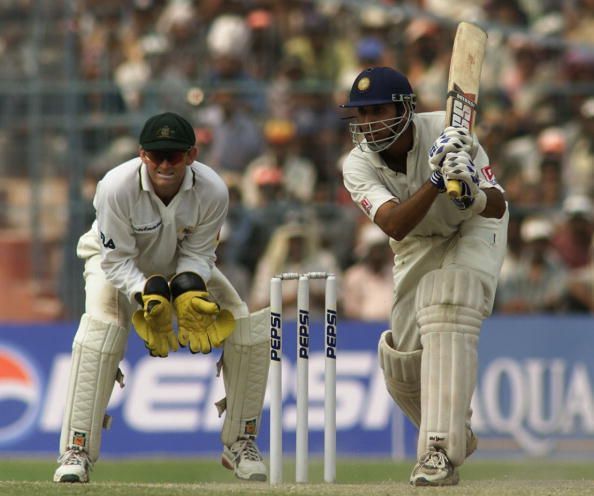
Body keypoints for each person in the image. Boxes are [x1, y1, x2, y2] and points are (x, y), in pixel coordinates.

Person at [53, 112, 269, 483]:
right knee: (101, 330)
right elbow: (116, 259)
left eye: (175, 155)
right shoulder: (114, 187)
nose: (165, 165)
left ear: (192, 155)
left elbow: (200, 253)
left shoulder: (213, 189)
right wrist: (146, 295)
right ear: (142, 154)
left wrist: (187, 289)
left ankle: (240, 442)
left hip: (179, 259)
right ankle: (77, 449)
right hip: (117, 263)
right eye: (156, 156)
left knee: (244, 323)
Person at [340, 67, 508, 486]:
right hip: (415, 239)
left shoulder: (451, 131)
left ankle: (438, 451)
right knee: (401, 360)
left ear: (405, 108)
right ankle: (455, 430)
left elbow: (499, 206)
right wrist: (437, 180)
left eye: (376, 111)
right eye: (359, 115)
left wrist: (472, 192)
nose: (366, 123)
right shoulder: (357, 165)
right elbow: (395, 226)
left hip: (473, 228)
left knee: (448, 300)